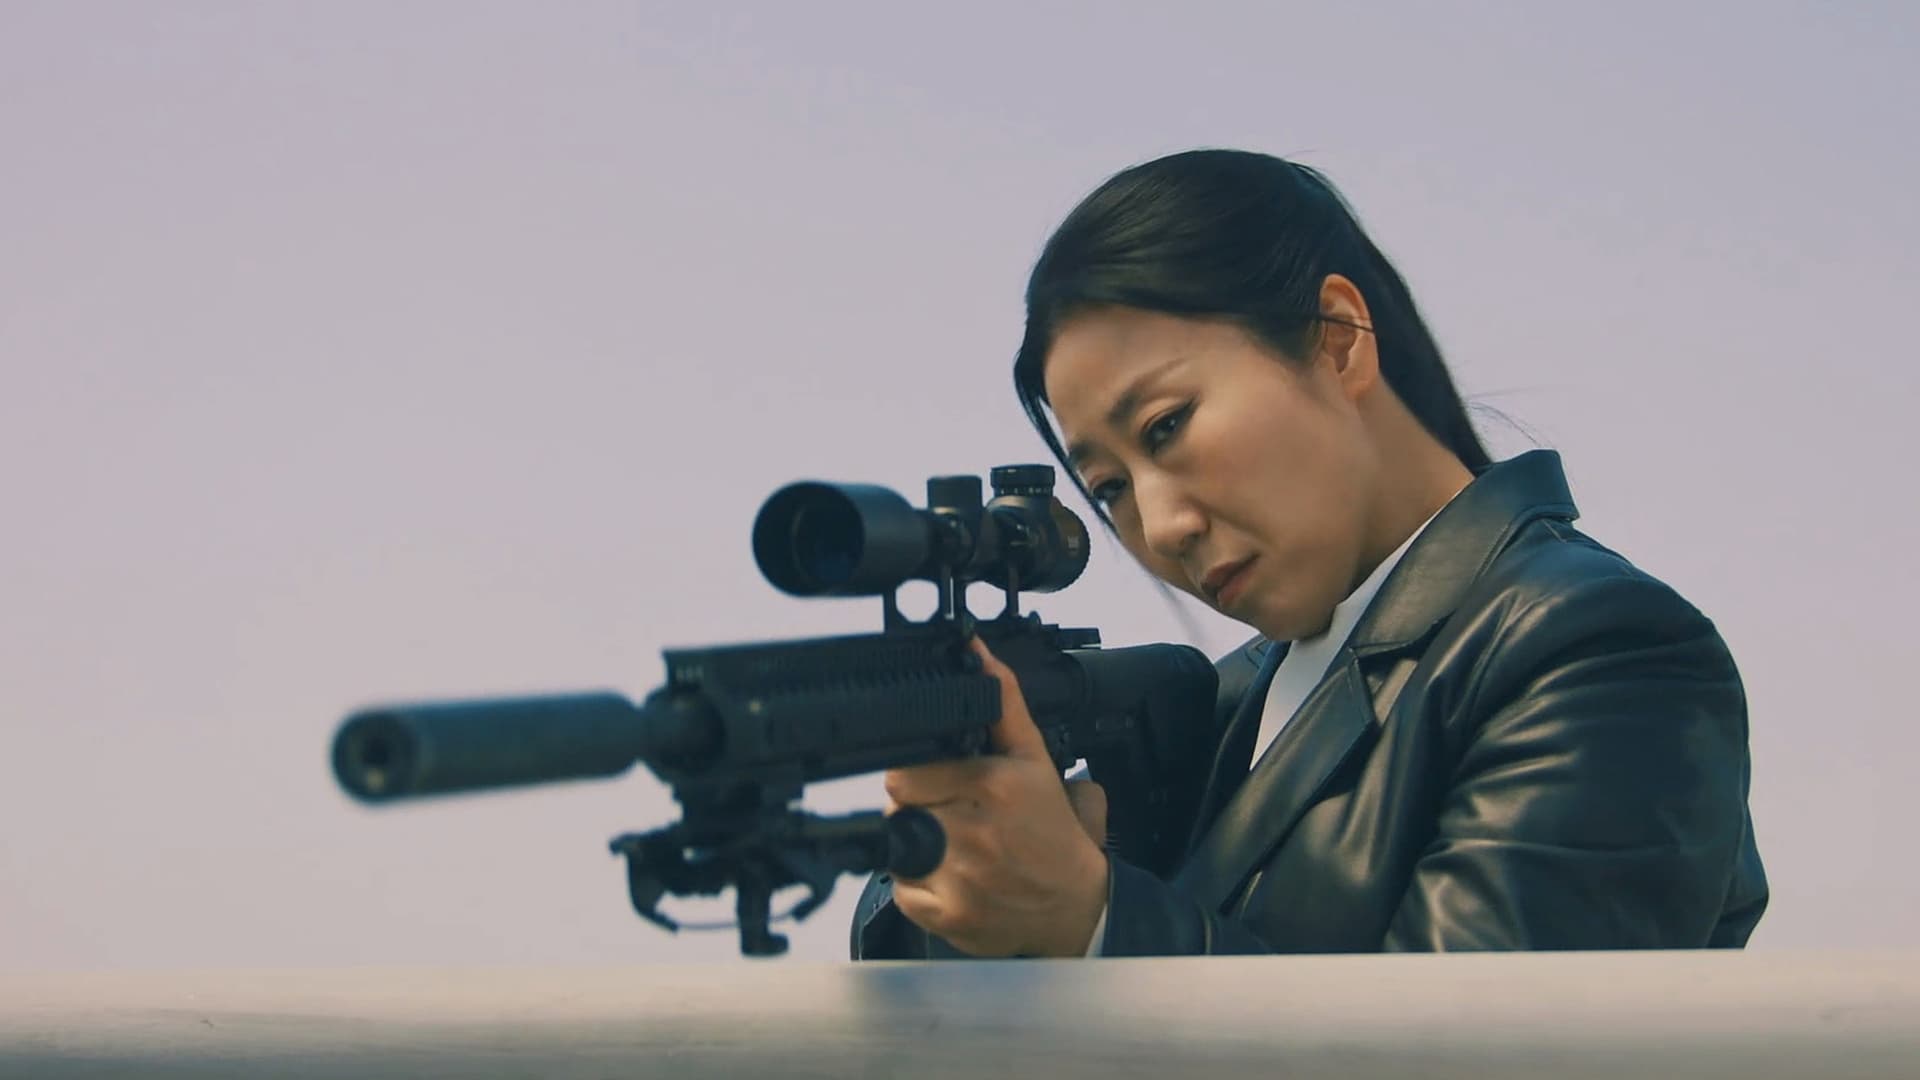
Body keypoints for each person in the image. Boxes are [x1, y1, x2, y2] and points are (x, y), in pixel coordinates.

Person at [850, 148, 1768, 959]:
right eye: (1109, 489)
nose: (1161, 528)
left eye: (1166, 426)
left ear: (1337, 338)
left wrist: (1091, 919)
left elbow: (1486, 1053)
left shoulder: (1598, 649)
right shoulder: (1219, 708)